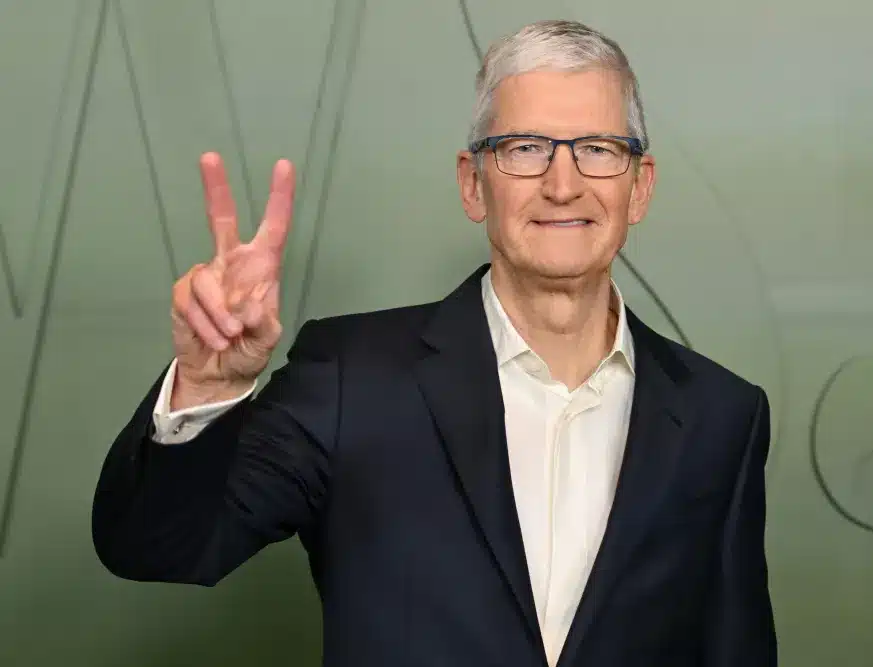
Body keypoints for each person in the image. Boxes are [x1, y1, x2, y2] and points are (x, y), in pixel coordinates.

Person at [92, 19, 776, 667]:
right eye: (525, 148)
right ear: (473, 183)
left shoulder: (722, 415)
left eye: (597, 150)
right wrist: (208, 385)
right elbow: (158, 547)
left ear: (639, 187)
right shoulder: (349, 379)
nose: (562, 184)